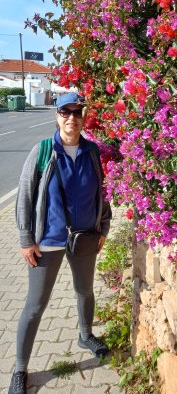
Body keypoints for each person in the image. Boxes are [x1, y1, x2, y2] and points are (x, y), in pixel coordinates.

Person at [8, 92, 112, 394]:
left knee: (85, 291)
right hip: (47, 241)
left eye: (77, 113)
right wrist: (26, 239)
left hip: (85, 237)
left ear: (83, 117)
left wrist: (103, 225)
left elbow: (102, 192)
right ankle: (21, 368)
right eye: (65, 112)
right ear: (57, 116)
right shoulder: (43, 151)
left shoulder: (92, 152)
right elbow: (25, 197)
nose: (72, 118)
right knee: (35, 305)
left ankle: (84, 335)